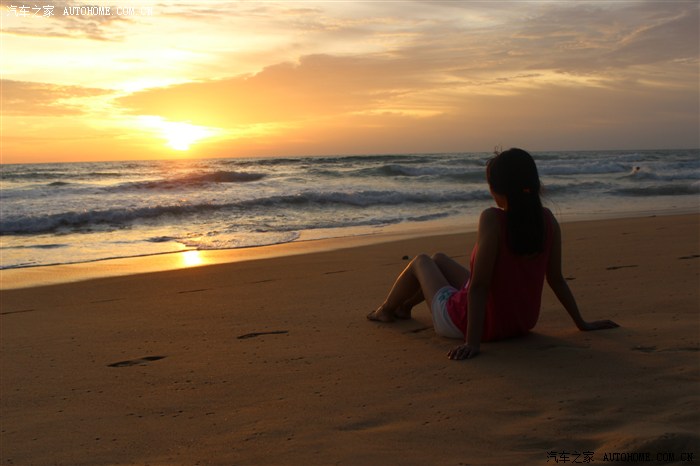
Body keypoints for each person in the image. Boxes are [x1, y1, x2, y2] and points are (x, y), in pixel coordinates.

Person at [366, 148, 619, 360]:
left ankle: (384, 310)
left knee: (422, 260)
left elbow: (479, 286)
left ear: (497, 188)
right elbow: (556, 279)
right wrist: (582, 323)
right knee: (439, 259)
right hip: (520, 323)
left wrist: (472, 343)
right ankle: (405, 307)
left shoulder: (493, 220)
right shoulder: (548, 221)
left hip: (464, 324)